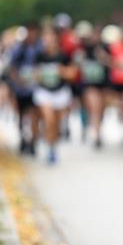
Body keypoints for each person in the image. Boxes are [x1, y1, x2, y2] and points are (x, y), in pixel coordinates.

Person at [33, 27, 75, 164]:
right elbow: (33, 74)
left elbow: (73, 74)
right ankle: (48, 144)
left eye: (51, 38)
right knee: (49, 119)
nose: (48, 41)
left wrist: (61, 71)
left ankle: (52, 146)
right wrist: (39, 75)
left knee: (55, 123)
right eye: (46, 38)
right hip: (44, 92)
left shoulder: (64, 56)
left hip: (60, 92)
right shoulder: (39, 55)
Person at [8, 23, 42, 155]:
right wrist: (18, 81)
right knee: (22, 116)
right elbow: (13, 68)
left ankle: (33, 140)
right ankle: (23, 138)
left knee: (34, 114)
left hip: (35, 88)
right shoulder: (19, 49)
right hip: (21, 89)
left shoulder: (40, 48)